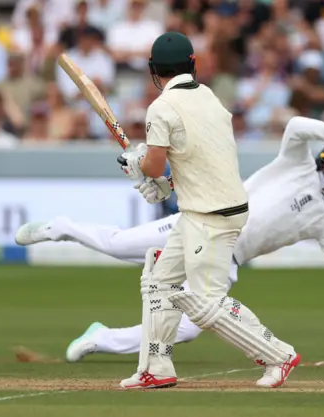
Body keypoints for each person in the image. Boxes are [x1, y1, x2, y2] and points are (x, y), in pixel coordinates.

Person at [15, 117, 324, 374]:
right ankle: (61, 226)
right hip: (201, 223)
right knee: (120, 245)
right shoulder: (294, 162)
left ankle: (102, 337)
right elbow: (297, 125)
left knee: (191, 328)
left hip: (226, 259)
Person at [123, 31, 290, 389]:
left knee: (205, 303)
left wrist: (139, 165)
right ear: (193, 64)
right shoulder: (209, 96)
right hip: (207, 208)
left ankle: (279, 355)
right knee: (159, 281)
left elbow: (154, 165)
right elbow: (196, 158)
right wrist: (163, 183)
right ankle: (158, 366)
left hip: (211, 215)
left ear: (154, 70)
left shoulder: (161, 107)